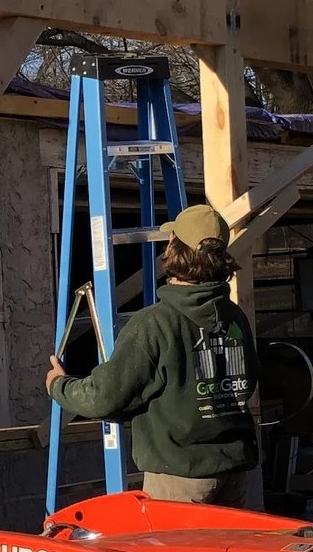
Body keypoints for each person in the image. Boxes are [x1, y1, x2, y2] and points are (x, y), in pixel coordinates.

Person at [44, 202, 263, 510]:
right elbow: (247, 382)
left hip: (178, 478)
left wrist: (59, 385)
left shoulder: (155, 324)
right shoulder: (235, 318)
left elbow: (104, 398)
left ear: (175, 250)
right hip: (234, 473)